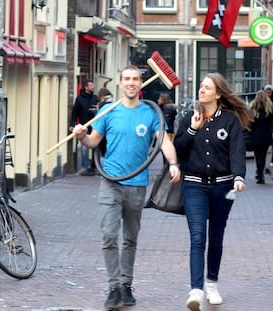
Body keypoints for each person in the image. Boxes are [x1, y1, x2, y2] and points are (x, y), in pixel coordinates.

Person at [72, 65, 181, 310]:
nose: (131, 83)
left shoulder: (150, 113)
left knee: (130, 239)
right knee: (109, 236)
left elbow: (163, 142)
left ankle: (126, 285)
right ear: (120, 83)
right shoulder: (108, 111)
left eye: (135, 79)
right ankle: (113, 287)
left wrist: (173, 163)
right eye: (127, 79)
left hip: (137, 185)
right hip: (110, 183)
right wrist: (81, 136)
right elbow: (93, 142)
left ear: (141, 83)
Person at [174, 73, 251, 310]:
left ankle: (212, 283)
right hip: (194, 184)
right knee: (198, 236)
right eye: (201, 86)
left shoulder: (229, 121)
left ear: (218, 93)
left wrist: (239, 177)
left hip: (223, 186)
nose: (202, 90)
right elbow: (178, 149)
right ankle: (195, 290)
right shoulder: (190, 117)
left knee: (216, 236)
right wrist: (192, 130)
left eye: (207, 87)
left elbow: (237, 152)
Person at [69, 79, 98, 176]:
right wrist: (72, 124)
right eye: (91, 85)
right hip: (83, 126)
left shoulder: (95, 98)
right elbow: (74, 113)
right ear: (86, 87)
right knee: (84, 148)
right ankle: (85, 167)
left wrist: (95, 110)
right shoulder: (79, 99)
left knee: (95, 147)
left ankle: (94, 167)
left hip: (94, 126)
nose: (93, 87)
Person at [248, 90, 273, 184]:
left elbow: (249, 123)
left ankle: (259, 174)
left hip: (255, 136)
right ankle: (261, 173)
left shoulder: (253, 109)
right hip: (266, 136)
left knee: (257, 155)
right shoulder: (269, 109)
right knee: (263, 156)